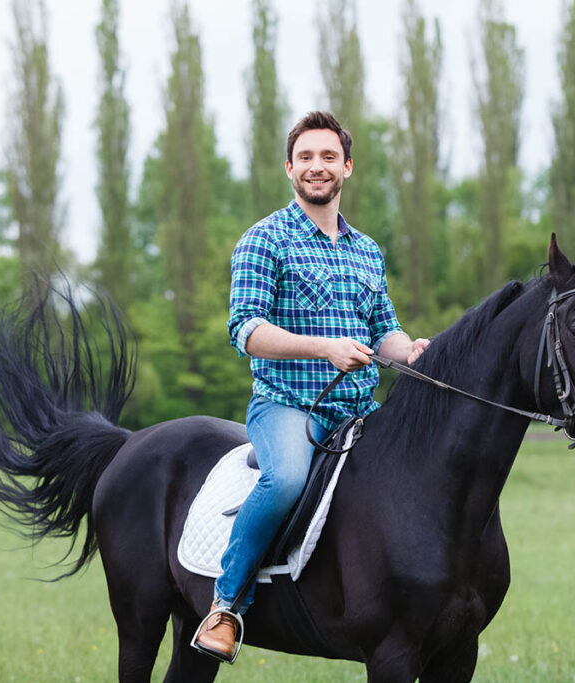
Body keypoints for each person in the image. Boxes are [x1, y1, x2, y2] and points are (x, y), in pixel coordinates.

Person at [193, 111, 430, 661]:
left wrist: (410, 349)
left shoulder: (367, 250)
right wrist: (323, 346)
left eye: (328, 156)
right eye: (305, 157)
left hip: (360, 410)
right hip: (287, 407)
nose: (316, 167)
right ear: (289, 168)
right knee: (285, 479)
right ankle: (225, 607)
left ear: (347, 166)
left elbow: (383, 331)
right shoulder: (263, 240)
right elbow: (246, 330)